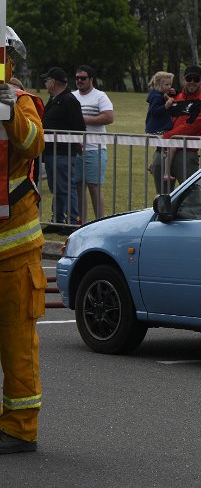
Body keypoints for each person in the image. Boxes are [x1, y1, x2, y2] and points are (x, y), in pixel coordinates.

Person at [0, 32, 47, 453]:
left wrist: (6, 106)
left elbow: (32, 143)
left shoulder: (19, 101)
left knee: (17, 344)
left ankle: (19, 429)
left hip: (14, 251)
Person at [151, 65, 201, 193]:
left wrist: (166, 137)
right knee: (162, 198)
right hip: (164, 151)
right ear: (184, 80)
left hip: (186, 153)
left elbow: (190, 127)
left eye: (196, 79)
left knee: (190, 198)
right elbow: (160, 117)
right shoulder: (173, 98)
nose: (192, 82)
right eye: (189, 78)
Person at [40, 66, 85, 229]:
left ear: (53, 82)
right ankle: (58, 220)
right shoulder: (54, 99)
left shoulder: (68, 100)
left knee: (66, 187)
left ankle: (71, 221)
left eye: (47, 80)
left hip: (63, 152)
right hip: (52, 152)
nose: (45, 83)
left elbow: (79, 127)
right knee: (57, 188)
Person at [72, 65, 114, 222]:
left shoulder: (100, 96)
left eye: (83, 78)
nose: (79, 81)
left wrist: (83, 120)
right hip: (76, 149)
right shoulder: (72, 96)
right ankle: (82, 222)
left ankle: (99, 222)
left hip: (95, 149)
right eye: (77, 78)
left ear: (91, 79)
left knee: (94, 187)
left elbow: (109, 117)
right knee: (78, 187)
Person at [145, 71, 175, 179]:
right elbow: (154, 111)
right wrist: (166, 106)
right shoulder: (156, 97)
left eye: (170, 84)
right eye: (166, 85)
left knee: (161, 147)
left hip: (158, 127)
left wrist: (170, 93)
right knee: (169, 147)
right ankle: (166, 172)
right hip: (157, 128)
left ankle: (153, 164)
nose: (169, 87)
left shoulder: (159, 94)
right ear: (158, 85)